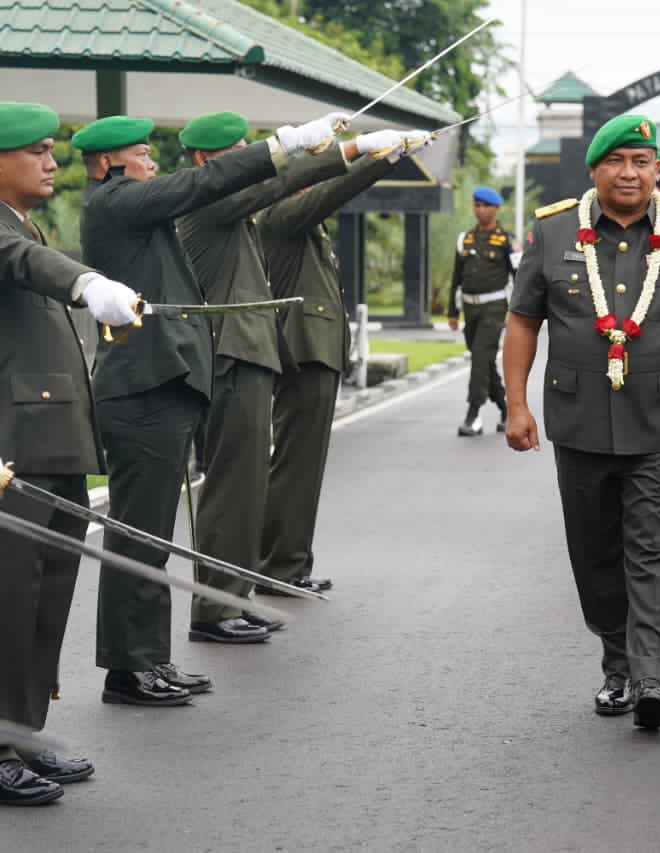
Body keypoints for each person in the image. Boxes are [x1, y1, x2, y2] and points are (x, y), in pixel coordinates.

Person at [76, 109, 342, 704]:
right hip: (141, 387)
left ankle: (147, 659)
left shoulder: (136, 206)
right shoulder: (115, 201)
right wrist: (287, 144)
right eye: (142, 154)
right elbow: (204, 183)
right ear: (107, 164)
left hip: (163, 383)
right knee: (136, 536)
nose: (151, 161)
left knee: (151, 535)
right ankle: (128, 667)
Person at [503, 114, 660, 729]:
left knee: (656, 550)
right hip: (578, 420)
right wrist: (517, 404)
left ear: (659, 169)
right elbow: (524, 322)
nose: (630, 173)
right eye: (617, 161)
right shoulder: (554, 232)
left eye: (642, 161)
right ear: (596, 169)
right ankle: (618, 662)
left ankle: (654, 676)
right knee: (595, 552)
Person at [177, 114, 396, 641]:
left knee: (247, 483)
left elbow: (287, 182)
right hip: (232, 353)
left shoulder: (237, 207)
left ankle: (235, 592)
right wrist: (360, 152)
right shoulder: (212, 200)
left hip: (252, 350)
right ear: (206, 162)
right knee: (232, 485)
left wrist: (364, 155)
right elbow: (286, 183)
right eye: (238, 152)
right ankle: (217, 605)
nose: (252, 160)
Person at [0, 102, 140, 805]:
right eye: (36, 151)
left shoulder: (24, 223)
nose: (52, 162)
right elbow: (27, 264)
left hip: (48, 441)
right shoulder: (7, 235)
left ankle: (24, 734)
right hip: (12, 449)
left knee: (45, 599)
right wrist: (87, 282)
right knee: (9, 603)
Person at [257, 134, 410, 593]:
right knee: (294, 465)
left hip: (318, 353)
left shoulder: (302, 222)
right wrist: (383, 158)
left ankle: (292, 563)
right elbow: (334, 191)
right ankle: (279, 567)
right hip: (305, 352)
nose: (316, 180)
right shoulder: (281, 214)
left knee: (304, 467)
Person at [448, 186, 514, 436]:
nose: (481, 210)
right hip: (469, 307)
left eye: (486, 206)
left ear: (496, 208)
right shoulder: (465, 239)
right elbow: (456, 277)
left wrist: (519, 312)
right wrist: (452, 313)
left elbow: (518, 276)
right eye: (477, 205)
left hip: (494, 307)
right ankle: (507, 409)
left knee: (479, 356)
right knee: (484, 360)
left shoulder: (507, 240)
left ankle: (473, 414)